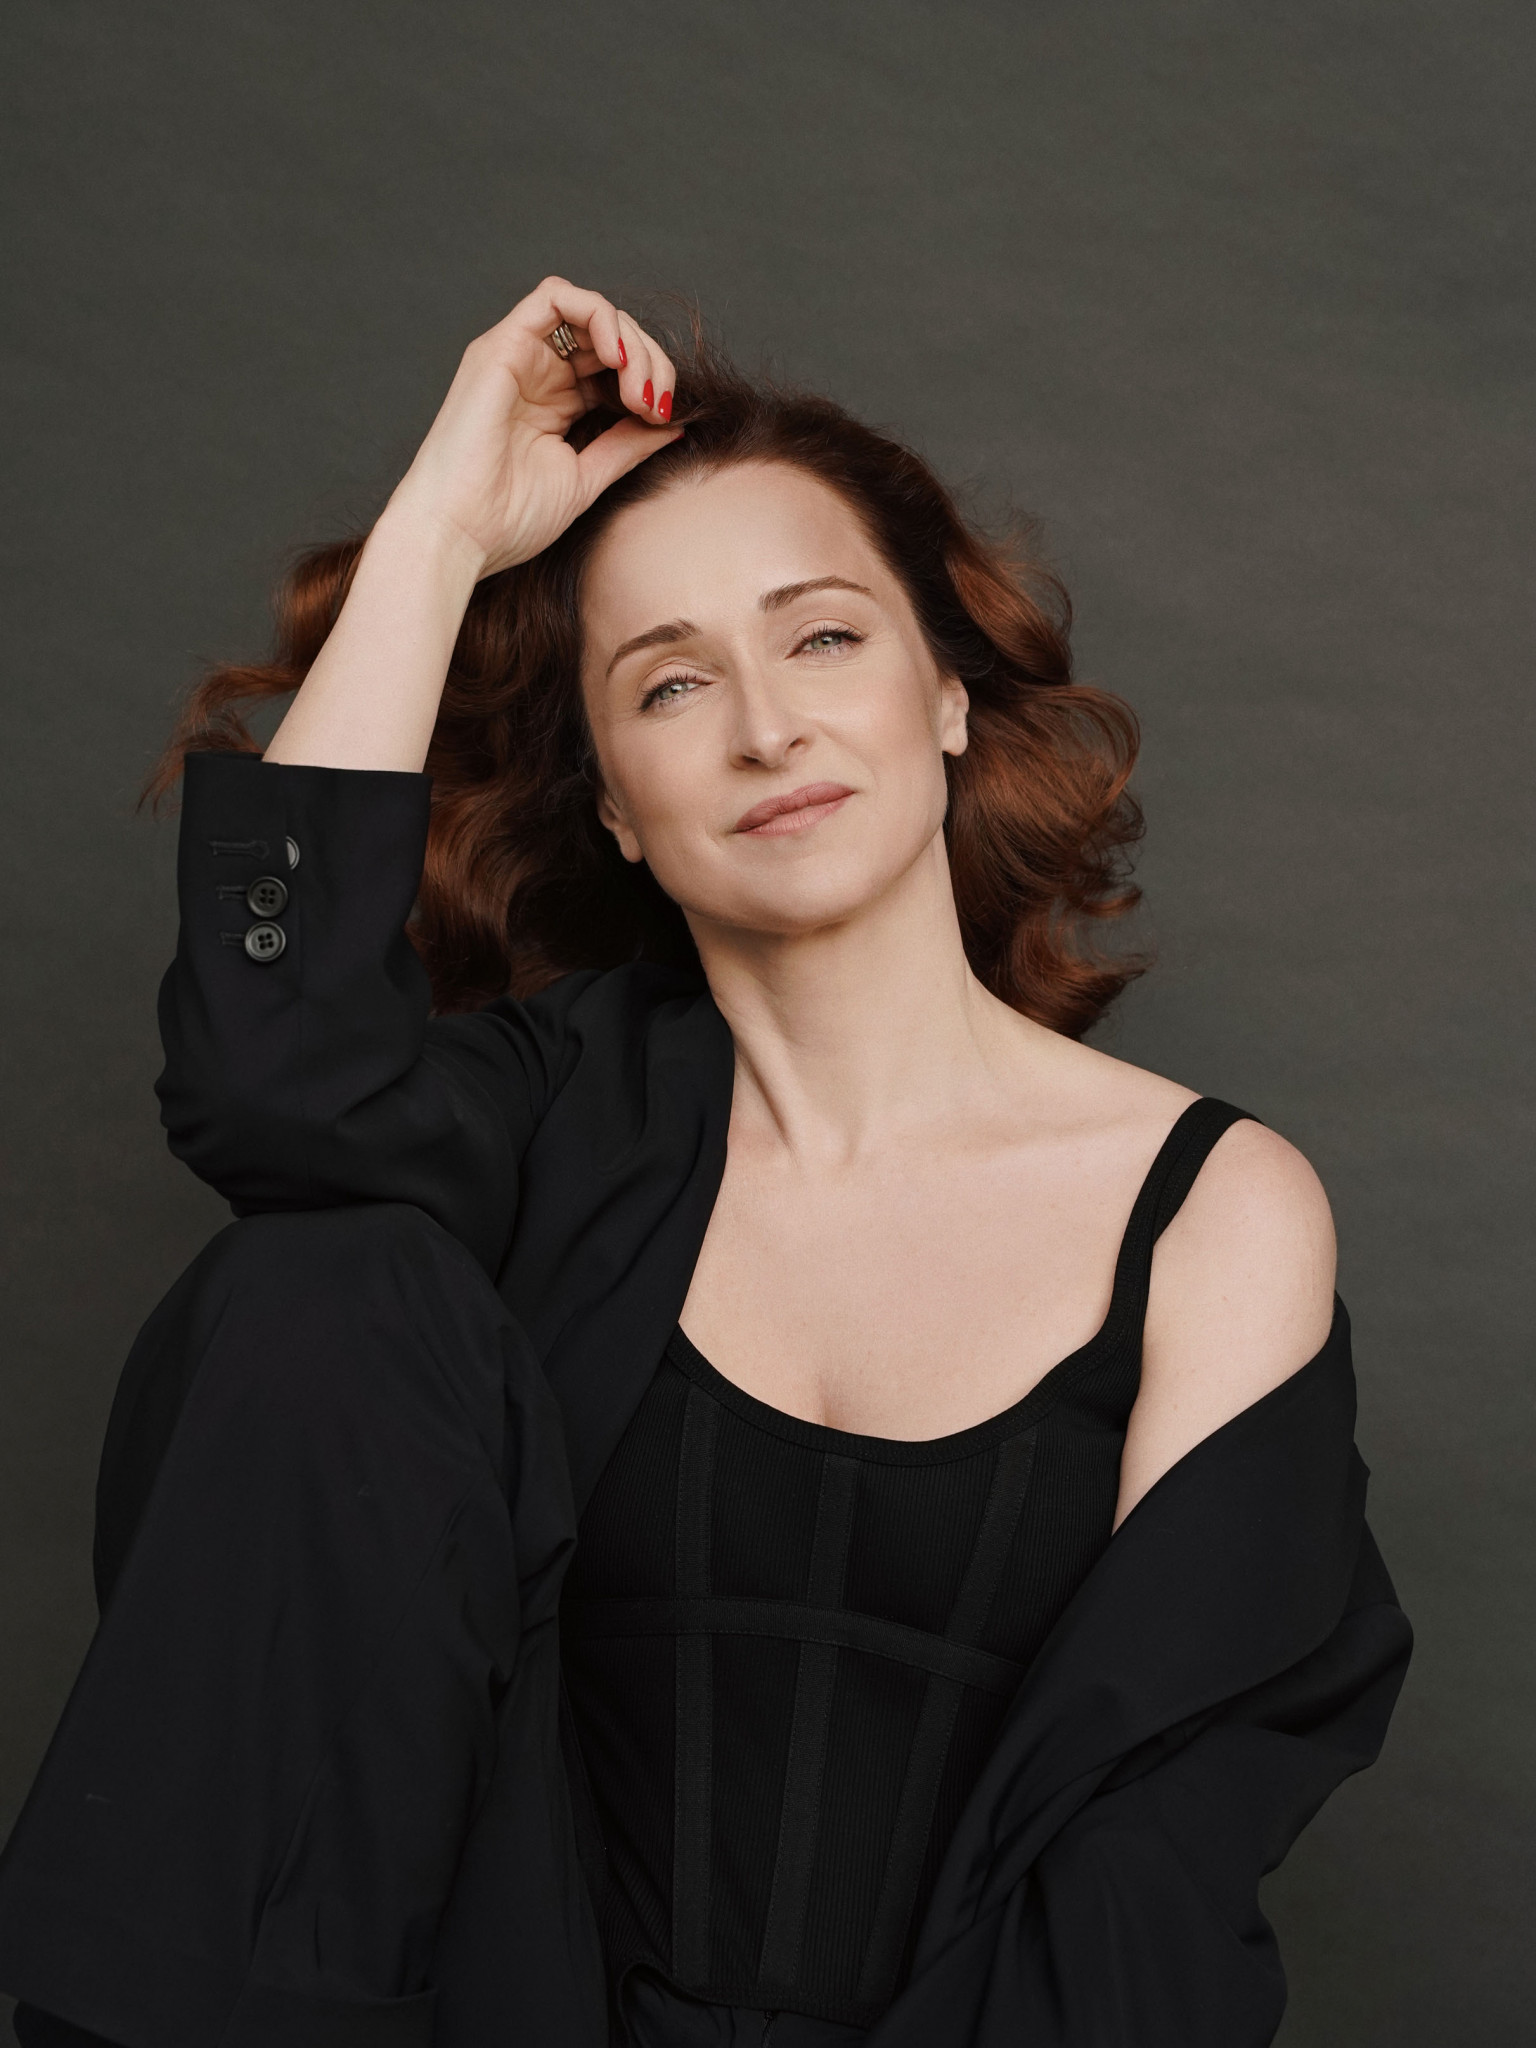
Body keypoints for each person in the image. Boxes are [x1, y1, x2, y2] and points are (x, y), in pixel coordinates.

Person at [0, 280, 1410, 2048]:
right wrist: (442, 529)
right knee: (317, 1272)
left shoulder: (1209, 1209)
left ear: (947, 695)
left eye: (822, 640)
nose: (764, 728)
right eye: (670, 684)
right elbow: (269, 1080)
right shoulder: (549, 1116)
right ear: (613, 801)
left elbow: (1151, 1865)